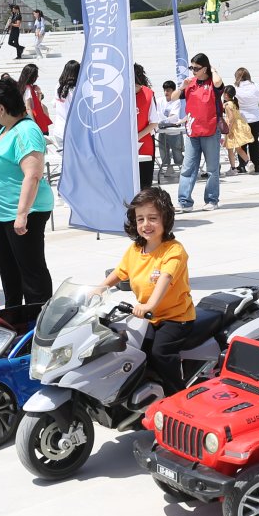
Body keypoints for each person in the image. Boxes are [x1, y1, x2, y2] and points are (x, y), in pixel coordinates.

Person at [96, 187, 194, 391]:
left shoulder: (174, 250)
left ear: (165, 219)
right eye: (140, 219)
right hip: (149, 317)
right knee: (130, 347)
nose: (146, 224)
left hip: (175, 318)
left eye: (152, 218)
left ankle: (177, 394)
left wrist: (149, 304)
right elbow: (120, 272)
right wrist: (99, 289)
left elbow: (165, 278)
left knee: (160, 352)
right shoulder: (135, 249)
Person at [0, 76, 53, 305]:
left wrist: (22, 215)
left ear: (0, 108)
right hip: (4, 214)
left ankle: (37, 324)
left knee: (32, 275)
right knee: (10, 274)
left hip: (23, 213)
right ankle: (15, 321)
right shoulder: (6, 129)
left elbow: (32, 174)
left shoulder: (26, 130)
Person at [176, 53, 223, 212]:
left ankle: (211, 199)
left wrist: (214, 70)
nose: (193, 71)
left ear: (205, 68)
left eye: (196, 68)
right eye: (191, 67)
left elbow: (218, 82)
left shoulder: (212, 82)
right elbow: (173, 98)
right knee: (188, 167)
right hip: (192, 130)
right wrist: (182, 86)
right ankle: (184, 201)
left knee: (212, 168)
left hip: (210, 129)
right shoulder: (190, 83)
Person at [233, 67, 259, 171]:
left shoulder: (236, 88)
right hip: (255, 117)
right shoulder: (256, 86)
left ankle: (243, 165)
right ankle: (256, 166)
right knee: (254, 142)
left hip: (241, 117)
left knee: (242, 143)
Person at [134, 63, 157, 190]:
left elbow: (154, 122)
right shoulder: (120, 95)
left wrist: (137, 136)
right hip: (124, 143)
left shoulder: (148, 94)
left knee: (145, 182)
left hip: (145, 141)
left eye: (137, 85)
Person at [221, 85, 253, 175]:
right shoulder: (234, 103)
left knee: (230, 149)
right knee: (239, 148)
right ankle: (248, 162)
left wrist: (228, 130)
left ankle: (233, 168)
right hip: (240, 126)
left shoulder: (227, 105)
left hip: (232, 127)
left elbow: (231, 118)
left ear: (226, 95)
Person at [155, 80, 185, 172]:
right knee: (163, 151)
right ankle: (168, 167)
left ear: (173, 91)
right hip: (162, 131)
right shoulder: (159, 100)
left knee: (177, 154)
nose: (166, 93)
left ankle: (184, 167)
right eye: (164, 90)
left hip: (174, 132)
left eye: (168, 90)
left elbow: (173, 116)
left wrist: (163, 120)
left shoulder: (177, 102)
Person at [17, 63, 51, 137]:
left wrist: (39, 92)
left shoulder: (25, 87)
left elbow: (37, 104)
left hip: (35, 118)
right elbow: (28, 107)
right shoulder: (28, 89)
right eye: (36, 75)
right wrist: (33, 125)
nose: (38, 76)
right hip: (36, 120)